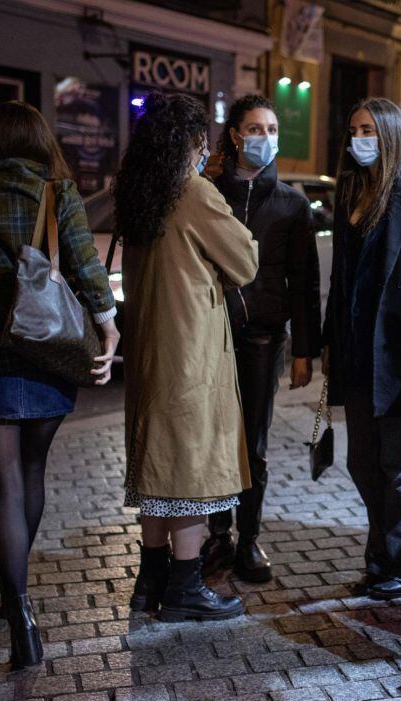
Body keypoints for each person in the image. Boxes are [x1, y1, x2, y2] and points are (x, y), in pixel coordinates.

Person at [0, 100, 119, 668]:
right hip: (47, 353)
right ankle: (15, 593)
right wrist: (108, 325)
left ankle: (17, 609)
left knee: (4, 488)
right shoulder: (55, 193)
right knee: (35, 472)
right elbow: (87, 266)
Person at [115, 93, 259, 623]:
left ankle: (148, 577)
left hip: (150, 348)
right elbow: (244, 260)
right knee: (189, 471)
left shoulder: (137, 191)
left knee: (157, 468)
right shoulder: (193, 191)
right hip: (190, 353)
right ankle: (184, 586)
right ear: (193, 141)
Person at [321, 97, 401, 600]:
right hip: (356, 349)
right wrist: (330, 343)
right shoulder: (351, 189)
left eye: (368, 129)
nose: (358, 138)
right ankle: (382, 555)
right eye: (353, 128)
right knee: (362, 461)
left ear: (391, 133)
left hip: (399, 350)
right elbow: (340, 279)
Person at [199, 94, 321, 583]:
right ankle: (217, 535)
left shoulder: (290, 203)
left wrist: (305, 352)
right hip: (209, 332)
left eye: (272, 130)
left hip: (263, 338)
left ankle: (247, 539)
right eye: (255, 129)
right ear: (234, 134)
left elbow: (305, 282)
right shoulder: (208, 194)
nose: (265, 138)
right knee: (210, 438)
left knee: (252, 443)